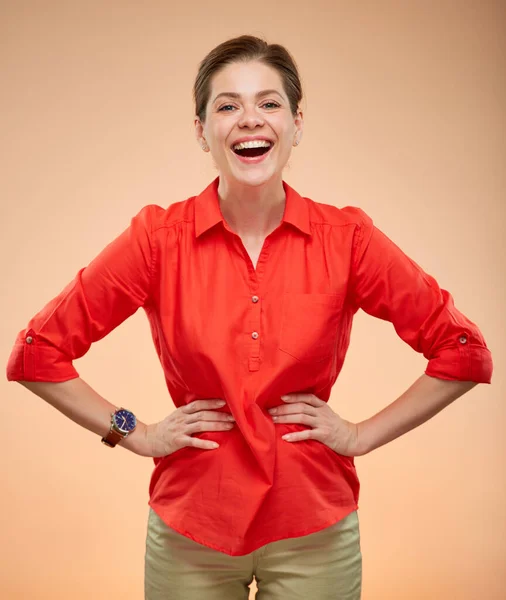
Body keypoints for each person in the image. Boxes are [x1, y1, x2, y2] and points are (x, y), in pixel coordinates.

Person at [6, 35, 493, 600]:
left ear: (296, 123)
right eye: (227, 105)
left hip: (315, 527)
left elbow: (464, 351)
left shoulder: (348, 239)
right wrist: (134, 433)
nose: (249, 121)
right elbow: (36, 353)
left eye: (268, 103)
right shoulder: (158, 239)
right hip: (191, 530)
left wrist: (359, 435)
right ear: (201, 131)